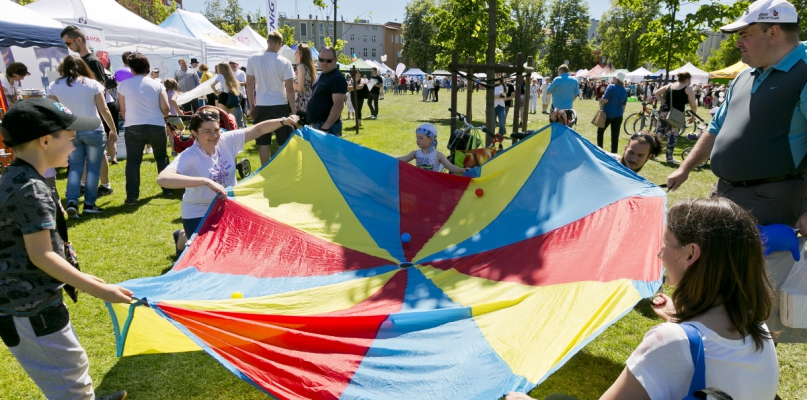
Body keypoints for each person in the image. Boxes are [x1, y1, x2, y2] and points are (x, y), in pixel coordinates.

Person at [509, 197, 780, 400]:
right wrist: (682, 321)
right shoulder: (760, 331)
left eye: (665, 244)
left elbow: (683, 352)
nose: (659, 254)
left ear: (690, 255)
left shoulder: (670, 342)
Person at [666, 0, 807, 342]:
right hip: (724, 192)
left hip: (772, 199)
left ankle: (745, 368)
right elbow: (714, 129)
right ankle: (707, 349)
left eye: (744, 34)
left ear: (773, 31)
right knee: (710, 275)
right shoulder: (745, 75)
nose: (737, 42)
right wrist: (685, 169)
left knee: (750, 294)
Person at [0, 98, 132, 400]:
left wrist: (85, 279)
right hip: (29, 308)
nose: (74, 147)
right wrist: (100, 290)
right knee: (67, 381)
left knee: (71, 365)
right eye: (70, 139)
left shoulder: (24, 177)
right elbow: (41, 254)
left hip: (33, 300)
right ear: (45, 140)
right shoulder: (29, 189)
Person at [157, 110, 300, 255]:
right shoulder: (189, 156)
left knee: (234, 249)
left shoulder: (226, 140)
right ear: (194, 133)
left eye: (216, 130)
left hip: (227, 205)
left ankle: (186, 235)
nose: (213, 135)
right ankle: (183, 236)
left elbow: (258, 129)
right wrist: (205, 181)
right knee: (207, 253)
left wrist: (284, 121)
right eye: (207, 131)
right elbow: (162, 179)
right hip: (199, 210)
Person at [48, 55, 118, 216]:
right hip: (93, 128)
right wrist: (112, 129)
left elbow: (54, 111)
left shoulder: (55, 85)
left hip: (70, 130)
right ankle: (89, 204)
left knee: (75, 168)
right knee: (93, 169)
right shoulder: (92, 84)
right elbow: (103, 109)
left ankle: (72, 201)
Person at [60, 26, 117, 194]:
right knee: (84, 153)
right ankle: (85, 184)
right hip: (85, 113)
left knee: (97, 153)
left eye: (68, 42)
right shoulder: (80, 60)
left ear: (79, 39)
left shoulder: (92, 61)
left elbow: (100, 87)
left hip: (96, 111)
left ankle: (105, 185)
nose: (68, 46)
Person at [117, 53, 171, 206]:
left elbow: (122, 108)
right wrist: (163, 115)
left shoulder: (123, 85)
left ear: (131, 68)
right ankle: (167, 188)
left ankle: (132, 196)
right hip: (156, 124)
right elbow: (165, 108)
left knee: (133, 162)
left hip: (133, 125)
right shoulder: (157, 84)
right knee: (161, 158)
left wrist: (130, 118)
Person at [246, 30, 295, 165]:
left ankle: (265, 172)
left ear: (267, 42)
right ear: (280, 44)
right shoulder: (285, 62)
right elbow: (290, 89)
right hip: (280, 105)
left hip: (262, 105)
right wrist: (293, 110)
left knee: (263, 143)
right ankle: (282, 169)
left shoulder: (253, 59)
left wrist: (252, 105)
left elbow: (249, 85)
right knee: (283, 142)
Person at [654, 72, 697, 164]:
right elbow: (693, 105)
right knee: (672, 135)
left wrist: (663, 102)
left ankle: (653, 154)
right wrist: (693, 116)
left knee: (659, 133)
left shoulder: (670, 85)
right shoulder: (688, 89)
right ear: (687, 79)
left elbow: (656, 93)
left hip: (663, 112)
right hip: (675, 115)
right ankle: (669, 157)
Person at [305, 47, 347, 136]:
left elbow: (338, 105)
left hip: (327, 126)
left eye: (328, 61)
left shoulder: (337, 78)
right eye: (321, 59)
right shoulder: (322, 75)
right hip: (318, 123)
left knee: (327, 150)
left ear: (335, 60)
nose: (324, 63)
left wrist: (325, 127)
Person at [398, 123, 468, 174]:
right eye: (417, 137)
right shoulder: (415, 153)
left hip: (433, 185)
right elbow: (403, 159)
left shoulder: (438, 155)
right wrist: (388, 159)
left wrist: (463, 170)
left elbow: (451, 167)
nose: (418, 140)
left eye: (421, 138)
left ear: (431, 139)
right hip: (420, 184)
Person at [597, 72, 628, 153]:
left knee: (600, 131)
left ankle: (599, 150)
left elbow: (605, 100)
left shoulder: (611, 86)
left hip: (608, 113)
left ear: (616, 79)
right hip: (619, 115)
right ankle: (614, 153)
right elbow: (624, 105)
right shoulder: (624, 90)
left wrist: (602, 98)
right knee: (615, 135)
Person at [293, 44, 316, 115]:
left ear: (301, 54)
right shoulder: (309, 67)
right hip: (308, 101)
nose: (294, 53)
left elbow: (300, 88)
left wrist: (289, 80)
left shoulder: (301, 66)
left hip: (301, 103)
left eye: (296, 51)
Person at [229, 60, 247, 128]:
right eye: (231, 64)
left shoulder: (241, 72)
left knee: (243, 112)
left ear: (237, 64)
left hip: (242, 95)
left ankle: (245, 125)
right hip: (232, 96)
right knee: (234, 112)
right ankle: (236, 126)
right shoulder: (228, 73)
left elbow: (245, 82)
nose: (232, 65)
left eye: (234, 64)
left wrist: (235, 84)